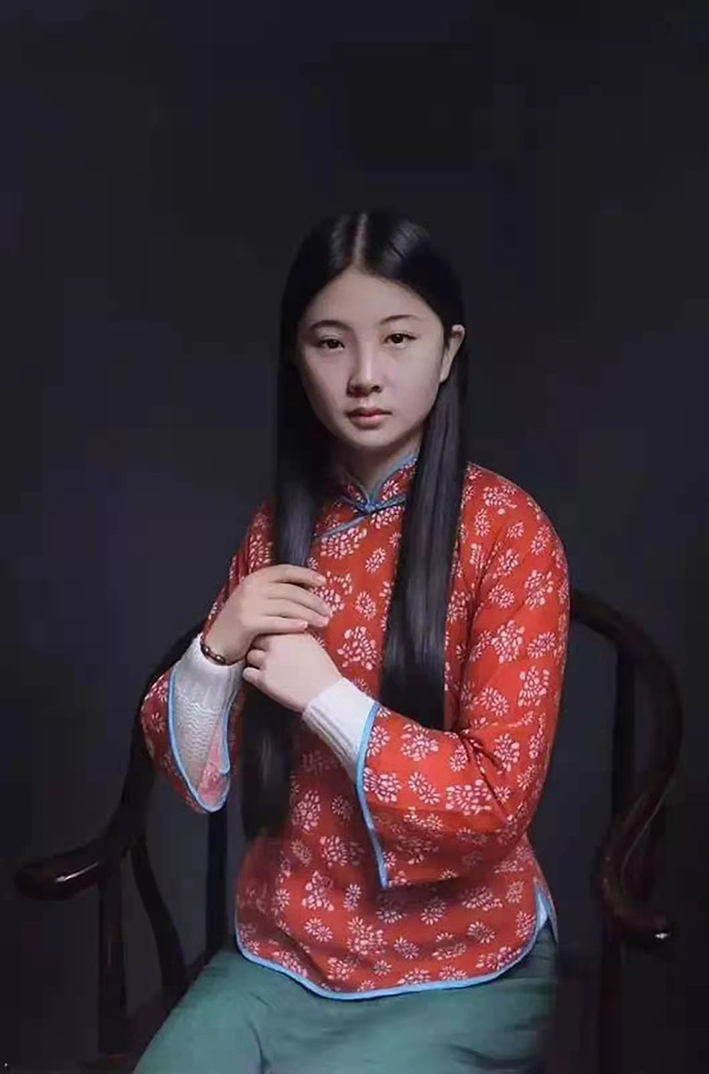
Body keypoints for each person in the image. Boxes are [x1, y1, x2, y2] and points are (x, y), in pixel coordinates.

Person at [136, 208, 569, 1073]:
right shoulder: (277, 531)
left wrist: (324, 696)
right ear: (296, 362)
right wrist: (216, 648)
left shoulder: (507, 532)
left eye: (398, 339)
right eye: (330, 343)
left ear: (446, 352)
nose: (365, 375)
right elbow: (193, 778)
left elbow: (493, 803)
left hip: (460, 960)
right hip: (283, 954)